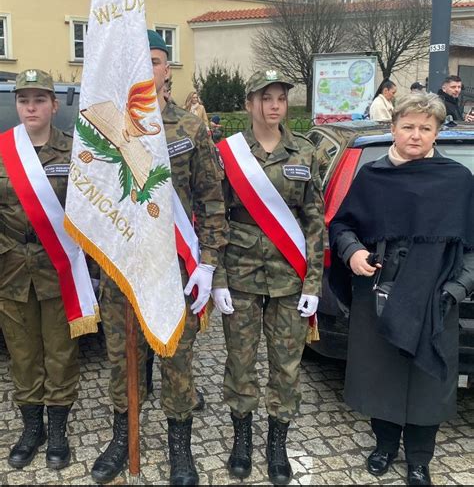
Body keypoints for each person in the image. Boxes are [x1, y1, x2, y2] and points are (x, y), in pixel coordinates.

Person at [91, 30, 228, 486]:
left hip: (173, 270)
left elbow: (211, 199)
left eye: (154, 61)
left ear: (166, 69)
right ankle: (120, 437)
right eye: (138, 61)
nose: (146, 69)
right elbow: (94, 202)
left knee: (177, 359)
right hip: (123, 271)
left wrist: (207, 261)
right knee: (122, 359)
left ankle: (180, 449)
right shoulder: (109, 129)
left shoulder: (189, 128)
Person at [329, 91, 474, 486]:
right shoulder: (373, 177)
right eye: (408, 127)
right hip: (380, 289)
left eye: (425, 128)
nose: (415, 135)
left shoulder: (458, 181)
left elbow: (473, 248)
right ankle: (385, 447)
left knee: (429, 379)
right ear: (392, 128)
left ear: (437, 133)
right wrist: (354, 253)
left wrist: (456, 290)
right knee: (382, 373)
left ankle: (419, 460)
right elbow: (341, 226)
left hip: (436, 295)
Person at [212, 69, 324, 485]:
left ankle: (276, 442)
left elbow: (315, 222)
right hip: (240, 274)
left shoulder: (306, 152)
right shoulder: (227, 153)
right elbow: (213, 218)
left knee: (286, 364)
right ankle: (242, 438)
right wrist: (218, 278)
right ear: (248, 104)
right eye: (265, 98)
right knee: (240, 362)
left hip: (289, 275)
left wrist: (313, 282)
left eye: (280, 98)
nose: (274, 105)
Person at [0, 70, 81, 471]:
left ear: (53, 104)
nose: (31, 107)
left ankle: (59, 429)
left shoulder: (73, 152)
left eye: (39, 100)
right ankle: (32, 429)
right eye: (24, 100)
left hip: (58, 269)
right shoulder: (2, 150)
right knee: (23, 354)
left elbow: (87, 212)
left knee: (61, 352)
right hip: (11, 270)